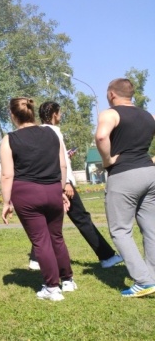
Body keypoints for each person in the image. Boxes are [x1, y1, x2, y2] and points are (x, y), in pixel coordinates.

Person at [28, 101, 122, 271]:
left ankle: (35, 260)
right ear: (54, 114)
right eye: (60, 112)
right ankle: (107, 257)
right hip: (63, 183)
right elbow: (62, 161)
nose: (61, 115)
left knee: (49, 221)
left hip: (47, 182)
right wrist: (67, 183)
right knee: (82, 219)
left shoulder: (39, 132)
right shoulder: (55, 132)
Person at [0, 97, 74, 302]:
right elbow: (63, 165)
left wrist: (6, 202)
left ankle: (52, 287)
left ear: (13, 116)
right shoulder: (52, 133)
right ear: (32, 112)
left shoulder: (9, 139)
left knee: (41, 241)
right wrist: (60, 190)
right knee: (56, 236)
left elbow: (7, 175)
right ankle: (67, 280)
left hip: (26, 193)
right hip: (52, 189)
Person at [95, 78, 155, 297]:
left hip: (124, 174)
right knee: (151, 227)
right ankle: (152, 277)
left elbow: (101, 136)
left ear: (111, 94)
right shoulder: (149, 116)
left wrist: (107, 160)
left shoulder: (110, 114)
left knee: (120, 230)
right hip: (150, 173)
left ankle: (144, 281)